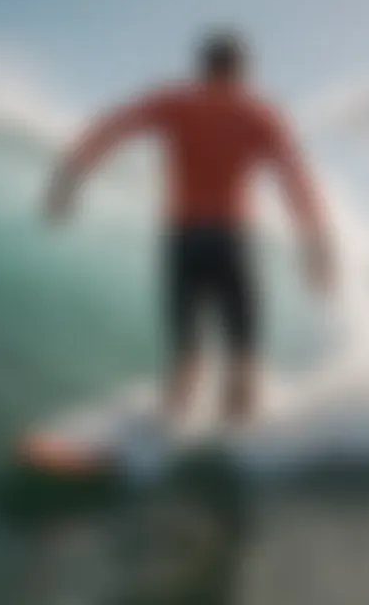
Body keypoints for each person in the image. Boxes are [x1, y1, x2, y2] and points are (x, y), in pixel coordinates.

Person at [44, 30, 333, 426]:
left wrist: (68, 178)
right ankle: (239, 431)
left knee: (186, 348)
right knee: (242, 349)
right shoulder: (260, 114)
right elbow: (295, 180)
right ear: (242, 71)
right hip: (231, 239)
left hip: (183, 239)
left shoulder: (173, 101)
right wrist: (316, 245)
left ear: (202, 65)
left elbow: (110, 129)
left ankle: (168, 431)